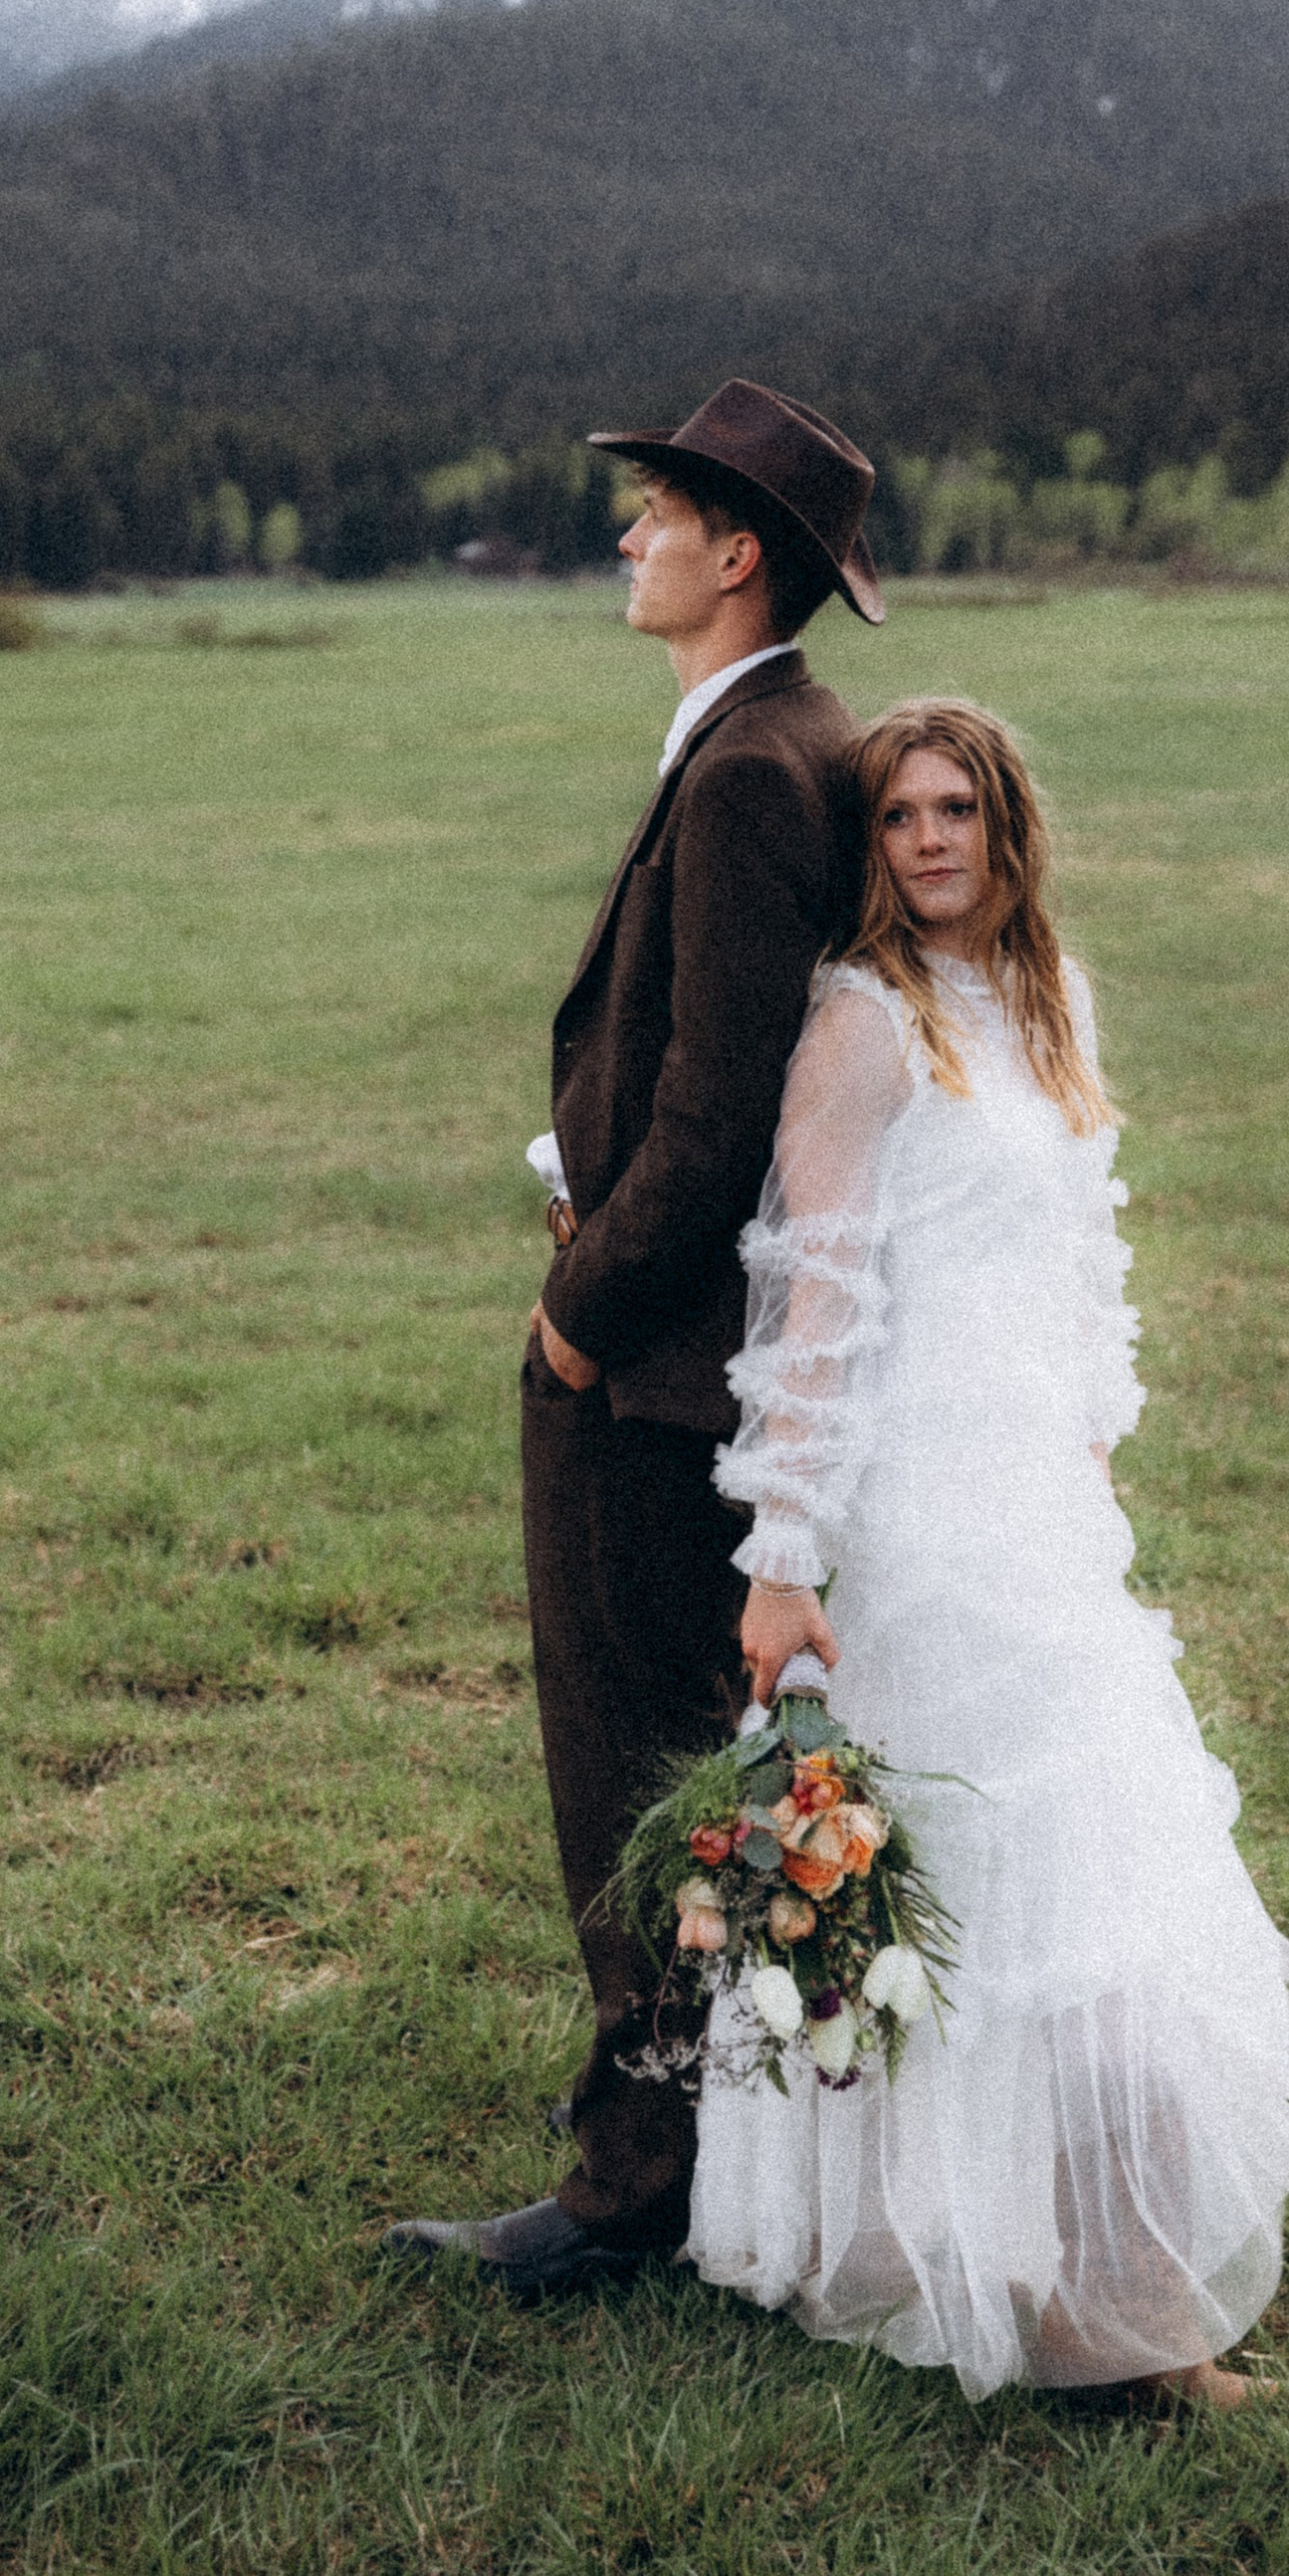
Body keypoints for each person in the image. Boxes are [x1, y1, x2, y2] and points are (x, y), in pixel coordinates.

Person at [687, 697, 1289, 2404]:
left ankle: (1119, 2304)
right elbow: (815, 1305)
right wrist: (787, 1550)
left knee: (1106, 1882)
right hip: (912, 1505)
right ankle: (961, 2261)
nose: (932, 840)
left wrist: (1093, 1433)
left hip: (1038, 1499)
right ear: (872, 849)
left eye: (959, 807)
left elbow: (1083, 1248)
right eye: (898, 817)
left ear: (1008, 824)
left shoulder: (1051, 1006)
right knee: (961, 1889)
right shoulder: (861, 1025)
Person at [389, 380, 887, 2298]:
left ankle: (632, 2193)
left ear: (734, 546)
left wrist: (577, 1320)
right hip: (683, 1349)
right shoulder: (760, 740)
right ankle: (709, 2163)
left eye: (653, 510)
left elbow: (718, 1117)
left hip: (658, 1362)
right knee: (694, 1775)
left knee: (638, 1776)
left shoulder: (760, 766)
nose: (628, 537)